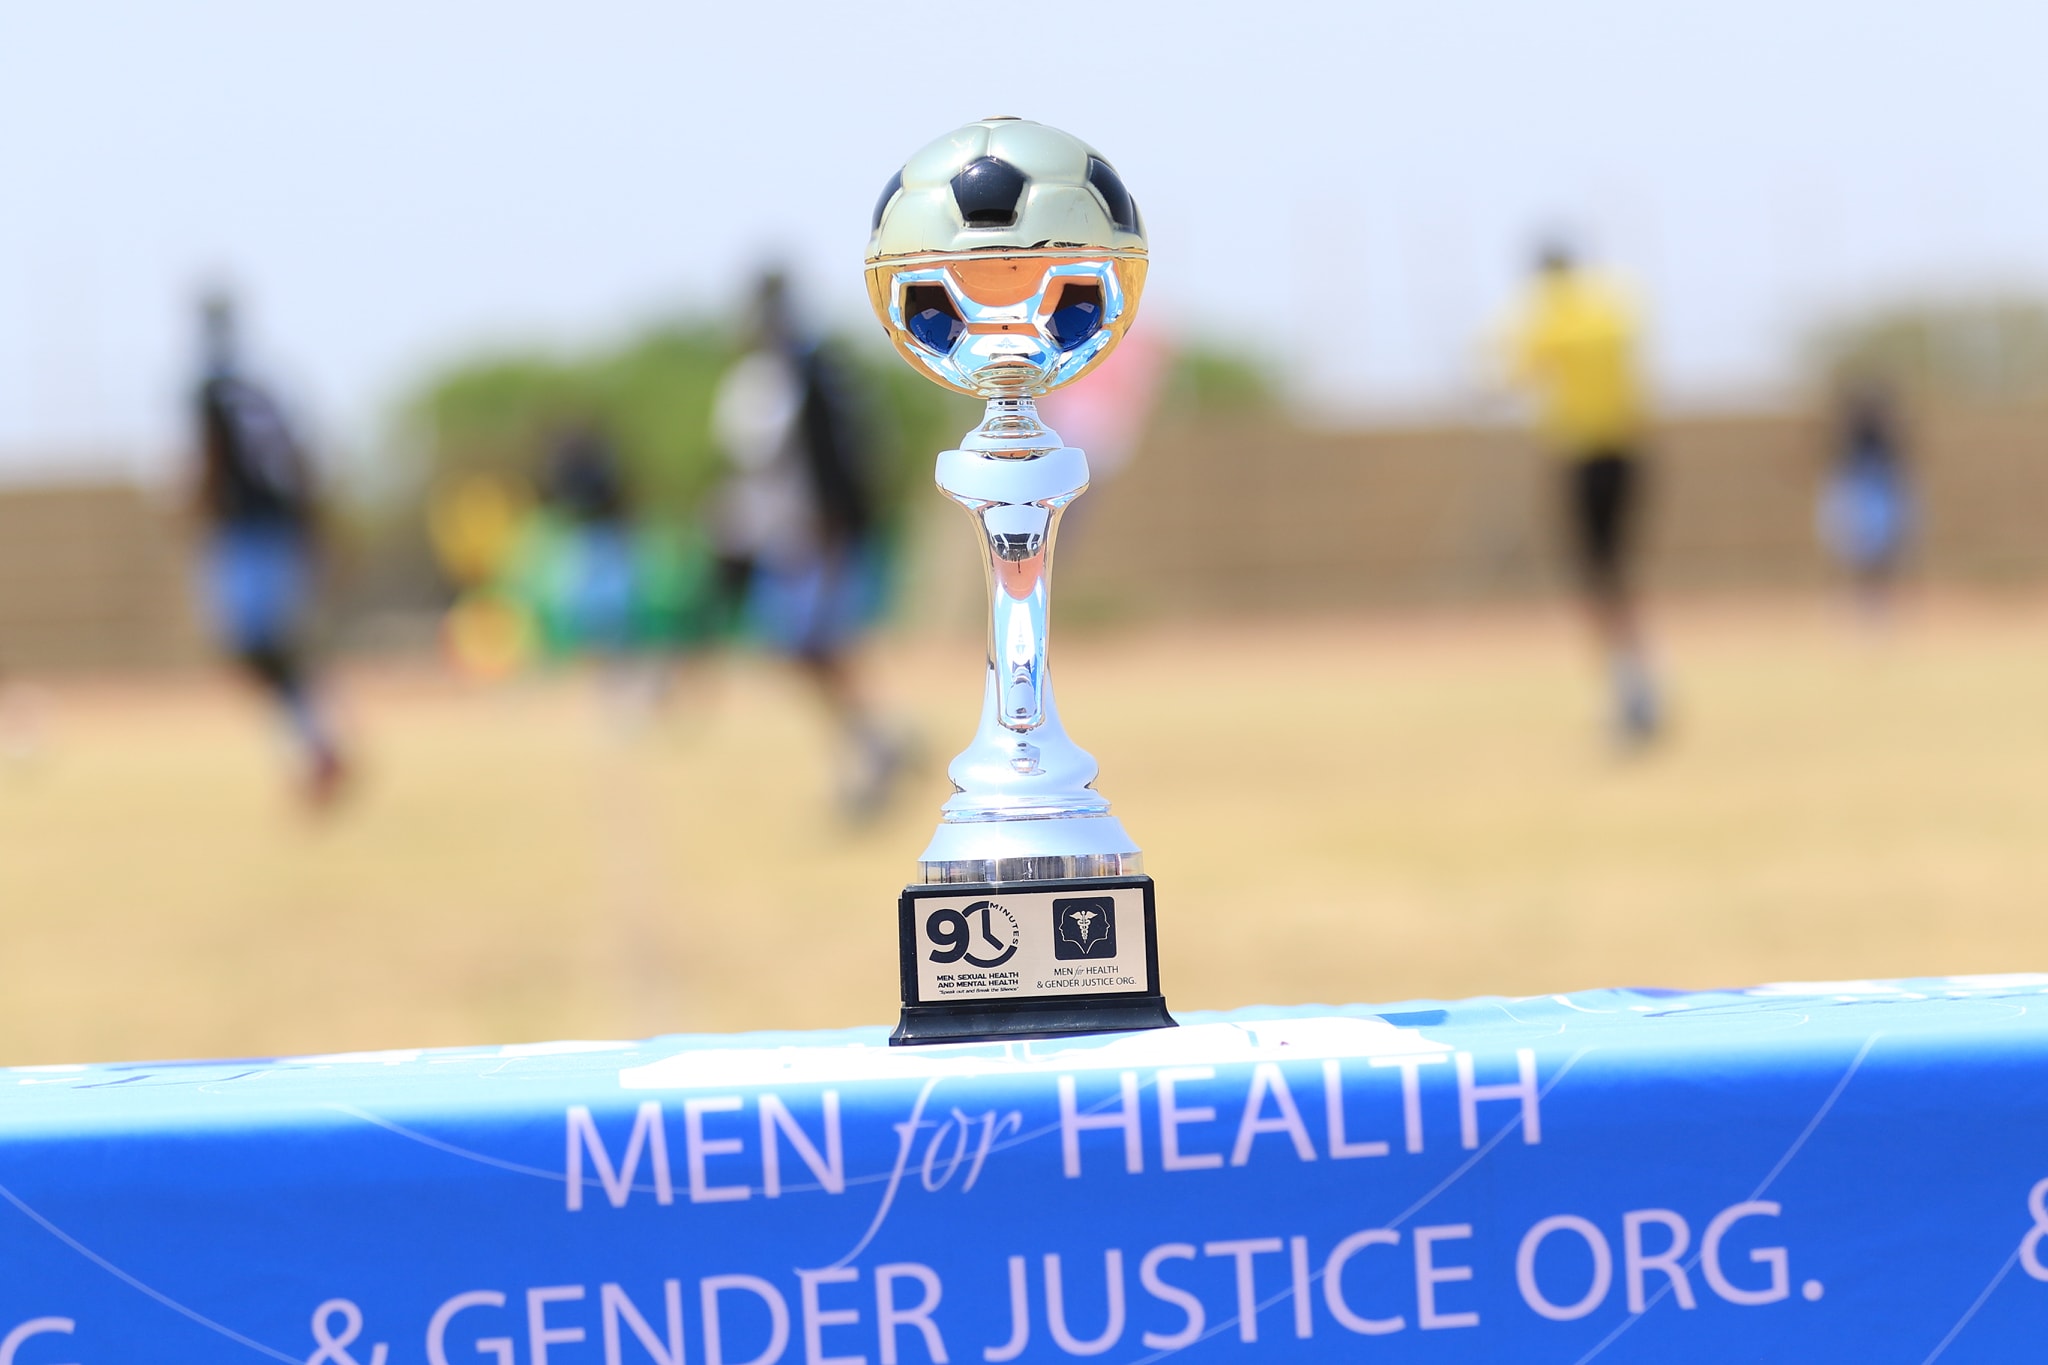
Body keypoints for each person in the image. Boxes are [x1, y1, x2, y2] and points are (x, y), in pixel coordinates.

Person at [709, 270, 903, 816]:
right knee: (804, 649)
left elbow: (836, 463)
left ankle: (870, 748)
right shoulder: (769, 379)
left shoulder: (812, 377)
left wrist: (836, 529)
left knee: (816, 646)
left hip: (821, 539)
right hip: (790, 540)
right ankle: (872, 740)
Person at [1504, 240, 1663, 746]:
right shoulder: (1613, 305)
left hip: (1584, 457)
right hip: (1631, 451)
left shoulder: (1549, 315)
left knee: (1596, 578)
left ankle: (1631, 689)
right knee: (1615, 573)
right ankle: (1638, 681)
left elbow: (1514, 376)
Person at [193, 291, 347, 804]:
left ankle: (316, 739)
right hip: (279, 526)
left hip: (247, 530)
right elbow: (299, 458)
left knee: (256, 647)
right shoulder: (262, 391)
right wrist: (311, 526)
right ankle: (314, 738)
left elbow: (212, 461)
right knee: (268, 647)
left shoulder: (213, 393)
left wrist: (198, 511)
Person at [1819, 373, 1912, 620]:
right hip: (1859, 491)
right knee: (1856, 549)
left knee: (1880, 551)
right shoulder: (1852, 433)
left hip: (1878, 491)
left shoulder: (1886, 434)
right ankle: (1861, 603)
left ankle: (1875, 603)